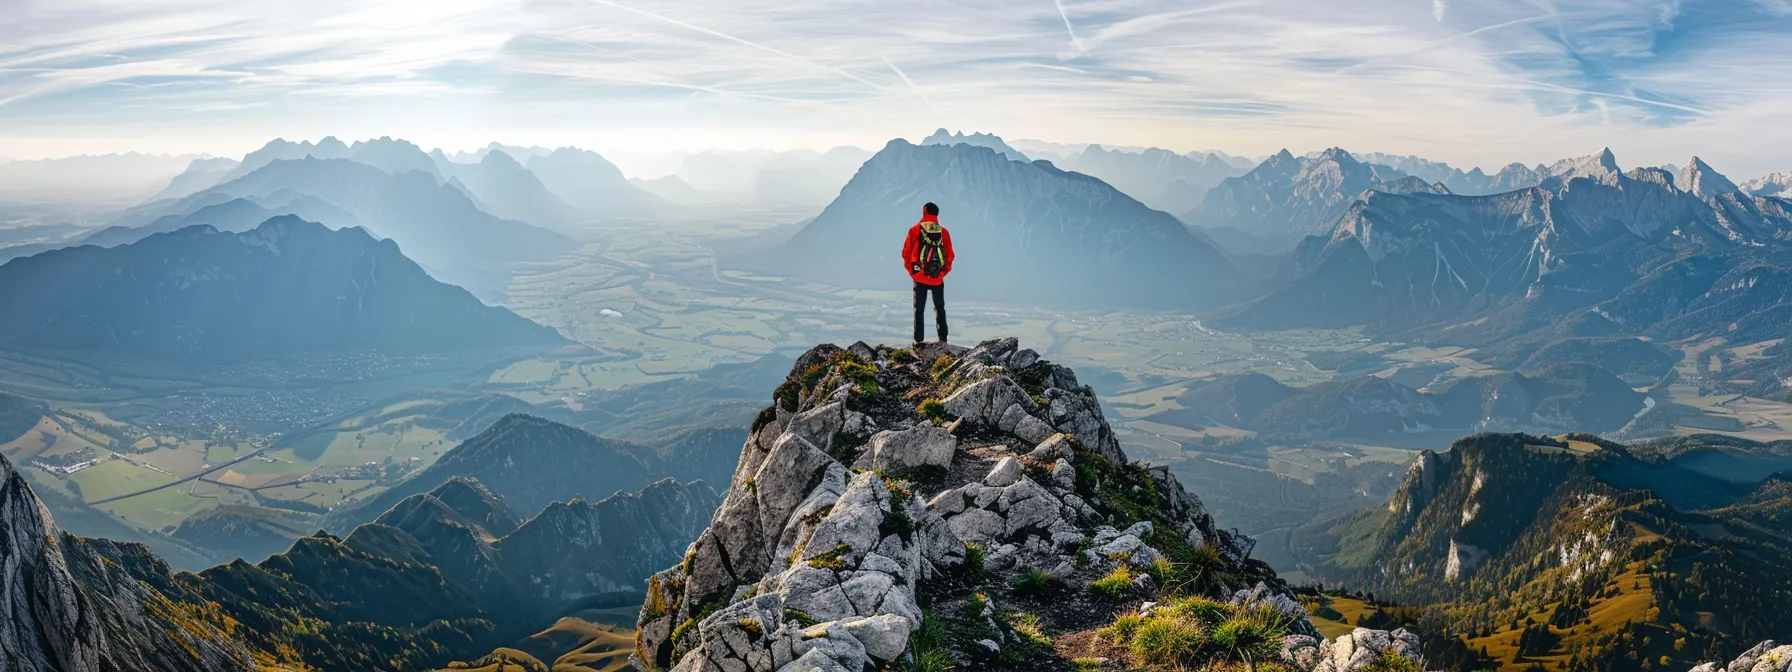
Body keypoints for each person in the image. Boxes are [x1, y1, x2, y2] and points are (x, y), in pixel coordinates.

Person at [902, 202, 955, 345]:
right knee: (939, 308)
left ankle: (918, 341)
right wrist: (942, 273)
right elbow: (950, 255)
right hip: (938, 278)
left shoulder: (914, 230)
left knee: (919, 309)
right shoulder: (944, 232)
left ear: (924, 212)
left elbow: (905, 253)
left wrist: (913, 271)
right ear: (937, 214)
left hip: (919, 277)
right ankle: (943, 339)